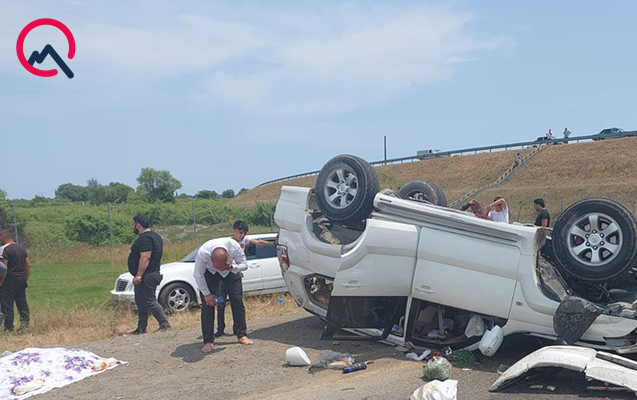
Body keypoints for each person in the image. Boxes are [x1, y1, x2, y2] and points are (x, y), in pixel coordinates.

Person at [215, 220, 275, 337]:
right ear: (234, 231)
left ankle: (238, 329)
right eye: (240, 232)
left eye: (244, 233)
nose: (242, 235)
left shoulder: (244, 241)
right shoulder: (227, 242)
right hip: (222, 276)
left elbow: (258, 242)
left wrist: (273, 244)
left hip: (234, 273)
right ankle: (220, 328)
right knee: (220, 302)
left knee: (236, 302)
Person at [194, 236, 253, 353]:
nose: (220, 270)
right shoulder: (203, 253)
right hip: (210, 274)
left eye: (221, 267)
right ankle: (208, 341)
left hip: (230, 271)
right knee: (207, 305)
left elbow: (245, 265)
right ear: (210, 260)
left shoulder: (234, 247)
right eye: (217, 266)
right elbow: (198, 274)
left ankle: (241, 334)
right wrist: (207, 294)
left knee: (237, 301)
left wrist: (231, 267)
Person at [127, 215, 170, 335]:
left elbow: (145, 257)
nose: (133, 227)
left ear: (138, 225)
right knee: (141, 301)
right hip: (151, 273)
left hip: (148, 275)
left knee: (149, 300)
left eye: (133, 225)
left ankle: (164, 324)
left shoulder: (145, 239)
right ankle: (141, 328)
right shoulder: (155, 237)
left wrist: (139, 275)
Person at [0, 229, 30, 332]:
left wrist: (1, 282)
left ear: (4, 236)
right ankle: (25, 325)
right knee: (22, 302)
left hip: (9, 279)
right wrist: (25, 278)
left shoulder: (4, 249)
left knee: (7, 304)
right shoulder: (21, 248)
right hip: (21, 277)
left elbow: (4, 267)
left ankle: (9, 327)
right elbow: (27, 264)